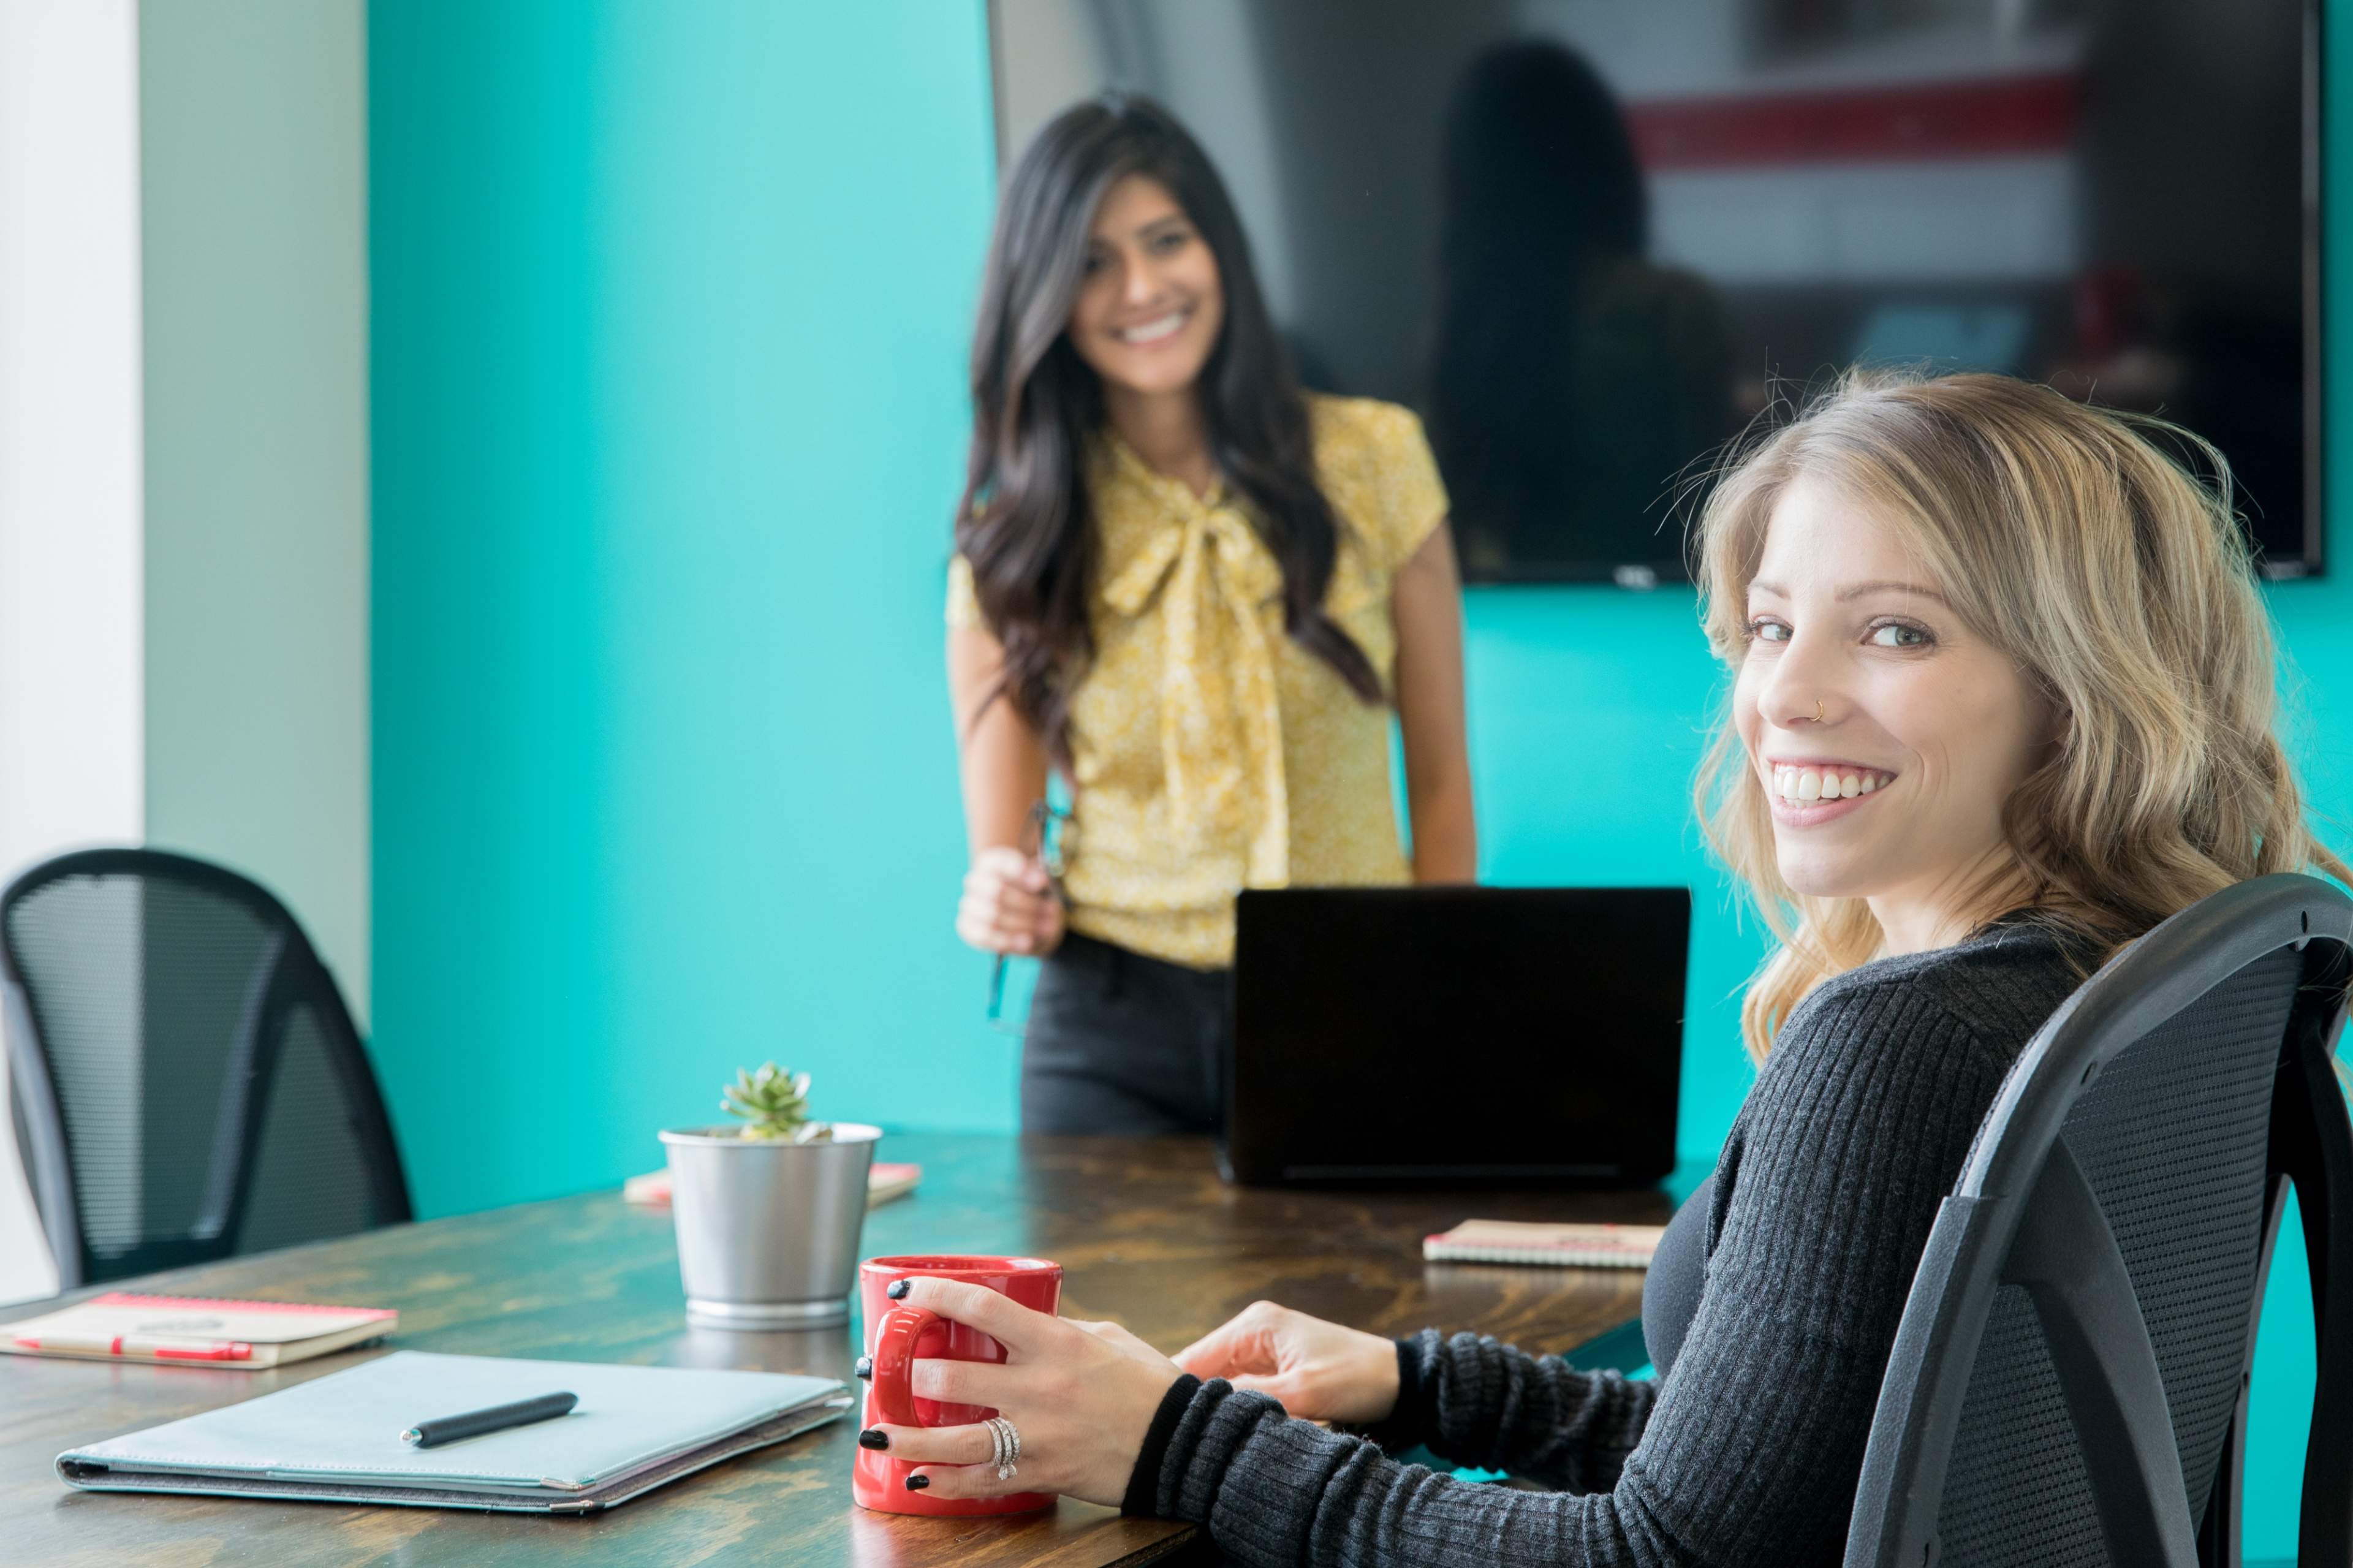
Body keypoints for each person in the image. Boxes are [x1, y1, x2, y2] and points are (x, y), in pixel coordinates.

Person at [876, 369, 2348, 1563]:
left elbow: (1663, 1559)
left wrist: (1168, 1440)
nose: (1785, 693)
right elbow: (1789, 1475)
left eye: (1895, 630)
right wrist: (1421, 1382)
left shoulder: (1907, 1041)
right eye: (1769, 626)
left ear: (2077, 688)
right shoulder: (2127, 984)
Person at [948, 95, 1476, 1135]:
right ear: (1044, 288)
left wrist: (1431, 985)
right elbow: (1000, 851)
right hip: (1109, 1030)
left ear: (1217, 247)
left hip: (1352, 1000)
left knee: (1344, 1304)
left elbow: (1444, 779)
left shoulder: (1374, 457)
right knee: (1092, 1304)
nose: (1142, 289)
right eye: (1093, 261)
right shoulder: (1017, 529)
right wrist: (998, 895)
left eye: (1165, 242)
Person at [1427, 39, 1742, 581]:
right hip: (1671, 613)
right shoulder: (1671, 307)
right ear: (1605, 161)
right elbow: (1721, 510)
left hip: (1498, 618)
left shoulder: (1458, 334)